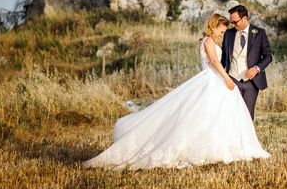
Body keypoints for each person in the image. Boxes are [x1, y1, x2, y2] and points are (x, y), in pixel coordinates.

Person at [84, 13, 270, 170]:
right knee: (206, 115)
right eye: (221, 30)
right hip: (212, 80)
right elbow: (214, 62)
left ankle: (224, 146)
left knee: (216, 116)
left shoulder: (210, 40)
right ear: (214, 27)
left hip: (215, 81)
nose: (223, 33)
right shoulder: (208, 42)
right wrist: (228, 79)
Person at [222, 5, 273, 120]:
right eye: (231, 22)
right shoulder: (228, 34)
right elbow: (224, 57)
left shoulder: (259, 33)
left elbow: (268, 56)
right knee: (233, 114)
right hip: (232, 80)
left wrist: (257, 68)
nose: (233, 25)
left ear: (244, 18)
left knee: (248, 115)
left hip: (252, 82)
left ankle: (247, 138)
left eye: (235, 22)